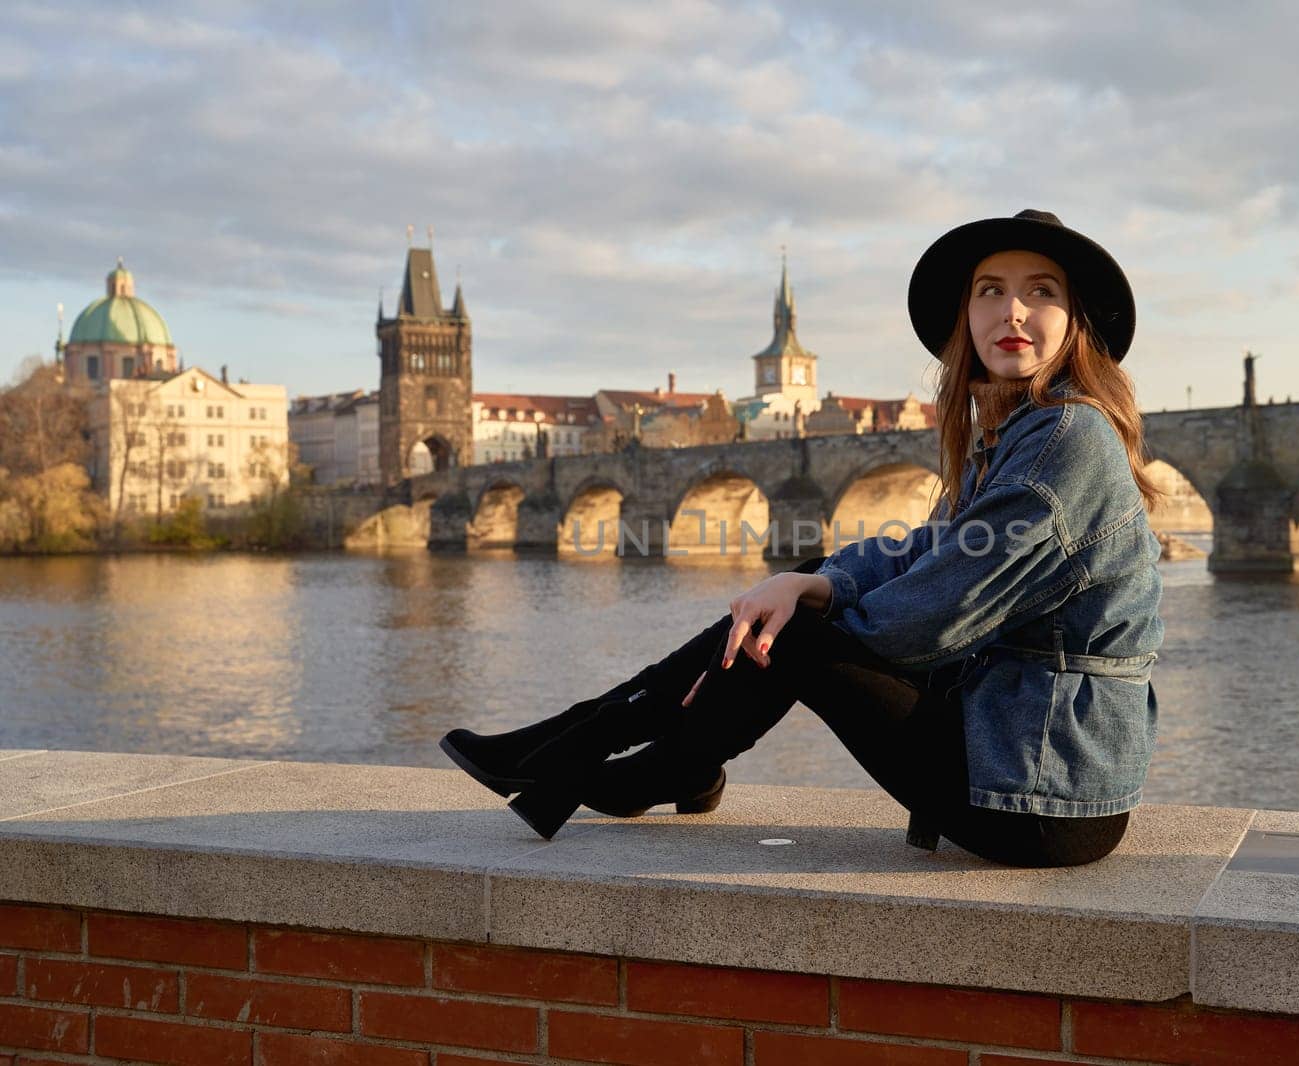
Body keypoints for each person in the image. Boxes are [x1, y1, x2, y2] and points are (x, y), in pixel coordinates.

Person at [439, 209, 1164, 868]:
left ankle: (637, 757)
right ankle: (621, 745)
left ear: (1075, 321)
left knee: (793, 633)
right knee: (804, 590)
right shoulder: (1013, 431)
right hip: (1014, 758)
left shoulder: (1066, 437)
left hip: (1044, 797)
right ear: (965, 315)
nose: (1012, 311)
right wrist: (813, 583)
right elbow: (926, 551)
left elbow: (942, 610)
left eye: (1041, 291)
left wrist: (803, 620)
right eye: (989, 290)